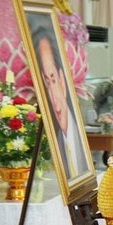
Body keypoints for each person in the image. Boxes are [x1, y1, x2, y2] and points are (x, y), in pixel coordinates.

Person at [33, 24, 89, 181]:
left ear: (63, 81)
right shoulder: (53, 142)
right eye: (46, 83)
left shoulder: (78, 135)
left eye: (53, 80)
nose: (51, 94)